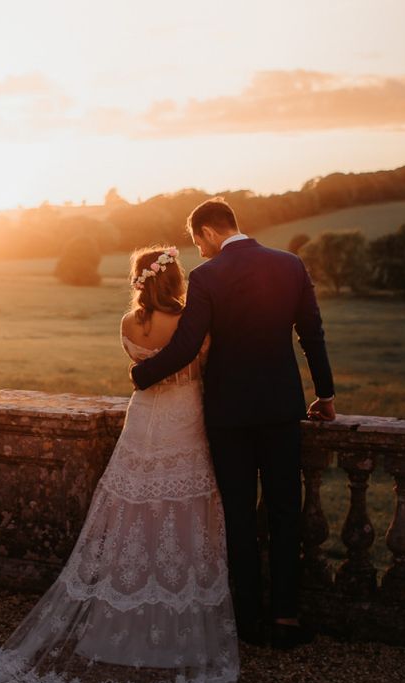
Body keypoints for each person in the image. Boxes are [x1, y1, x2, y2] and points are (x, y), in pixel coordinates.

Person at [0, 245, 239, 683]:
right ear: (174, 279)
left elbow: (143, 369)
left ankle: (114, 626)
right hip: (184, 421)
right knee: (180, 512)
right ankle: (175, 630)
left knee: (132, 513)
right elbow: (202, 366)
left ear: (139, 279)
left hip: (143, 422)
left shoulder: (129, 324)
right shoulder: (191, 320)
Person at [130, 197, 336, 651]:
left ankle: (247, 621)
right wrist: (325, 394)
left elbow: (184, 347)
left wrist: (141, 373)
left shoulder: (208, 276)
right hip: (282, 409)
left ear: (207, 231)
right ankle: (285, 616)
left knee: (238, 516)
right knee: (285, 512)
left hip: (228, 416)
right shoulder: (289, 264)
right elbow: (311, 332)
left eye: (196, 241)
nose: (198, 251)